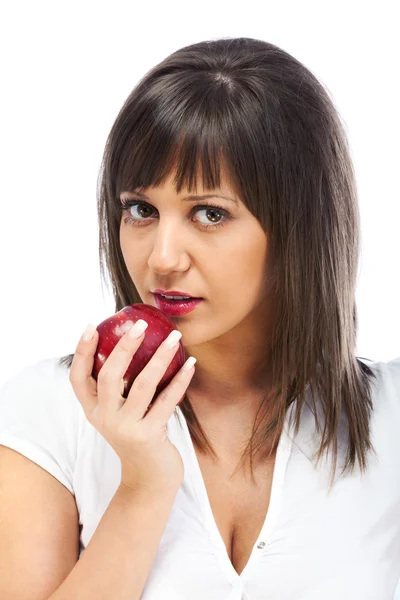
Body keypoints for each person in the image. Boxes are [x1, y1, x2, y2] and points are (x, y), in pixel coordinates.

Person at [0, 36, 399, 600]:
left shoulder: (391, 420)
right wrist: (144, 485)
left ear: (299, 228)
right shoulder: (48, 413)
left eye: (210, 213)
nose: (162, 257)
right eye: (141, 209)